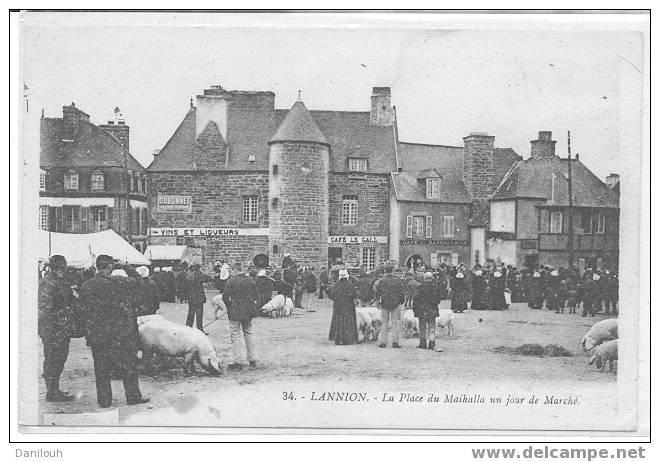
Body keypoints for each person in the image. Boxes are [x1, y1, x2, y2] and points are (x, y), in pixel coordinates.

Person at [79, 255, 148, 408]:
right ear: (110, 266)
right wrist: (125, 266)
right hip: (120, 333)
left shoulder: (86, 285)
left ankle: (104, 400)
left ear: (97, 266)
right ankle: (133, 396)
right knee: (128, 365)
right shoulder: (117, 282)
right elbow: (137, 280)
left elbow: (82, 312)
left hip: (98, 334)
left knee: (101, 367)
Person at [38, 255, 76, 402]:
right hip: (53, 327)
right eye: (64, 265)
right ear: (61, 266)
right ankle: (52, 392)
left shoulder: (57, 281)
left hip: (58, 326)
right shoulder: (49, 282)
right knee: (53, 358)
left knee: (58, 358)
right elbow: (45, 307)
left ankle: (54, 389)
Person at [222, 262, 258, 371]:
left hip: (235, 312)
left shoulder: (231, 281)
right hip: (248, 312)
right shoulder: (250, 280)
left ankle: (237, 362)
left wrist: (230, 307)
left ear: (234, 270)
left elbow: (225, 297)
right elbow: (256, 296)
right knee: (248, 333)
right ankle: (252, 359)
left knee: (235, 335)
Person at [374, 264, 405, 348]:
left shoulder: (382, 281)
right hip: (396, 303)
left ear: (385, 271)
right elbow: (402, 292)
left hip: (385, 303)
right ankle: (395, 342)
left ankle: (383, 342)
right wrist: (400, 301)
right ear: (393, 271)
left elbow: (378, 292)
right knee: (395, 323)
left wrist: (379, 302)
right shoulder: (398, 280)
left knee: (384, 323)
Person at [327, 269, 359, 345]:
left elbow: (332, 295)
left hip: (338, 306)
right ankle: (348, 339)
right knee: (348, 322)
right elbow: (354, 295)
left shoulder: (337, 284)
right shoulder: (350, 284)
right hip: (348, 306)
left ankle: (338, 338)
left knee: (338, 322)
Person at [413, 272, 442, 351]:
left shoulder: (420, 287)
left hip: (422, 311)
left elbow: (415, 299)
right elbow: (438, 300)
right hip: (432, 310)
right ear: (431, 278)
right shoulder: (435, 287)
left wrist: (415, 310)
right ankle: (432, 343)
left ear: (424, 278)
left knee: (422, 327)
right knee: (432, 327)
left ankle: (423, 343)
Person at [185, 264, 211, 332]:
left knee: (190, 313)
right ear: (199, 268)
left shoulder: (189, 276)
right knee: (199, 314)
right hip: (199, 298)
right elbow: (209, 279)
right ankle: (200, 329)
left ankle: (188, 328)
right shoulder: (201, 276)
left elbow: (186, 287)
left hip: (191, 297)